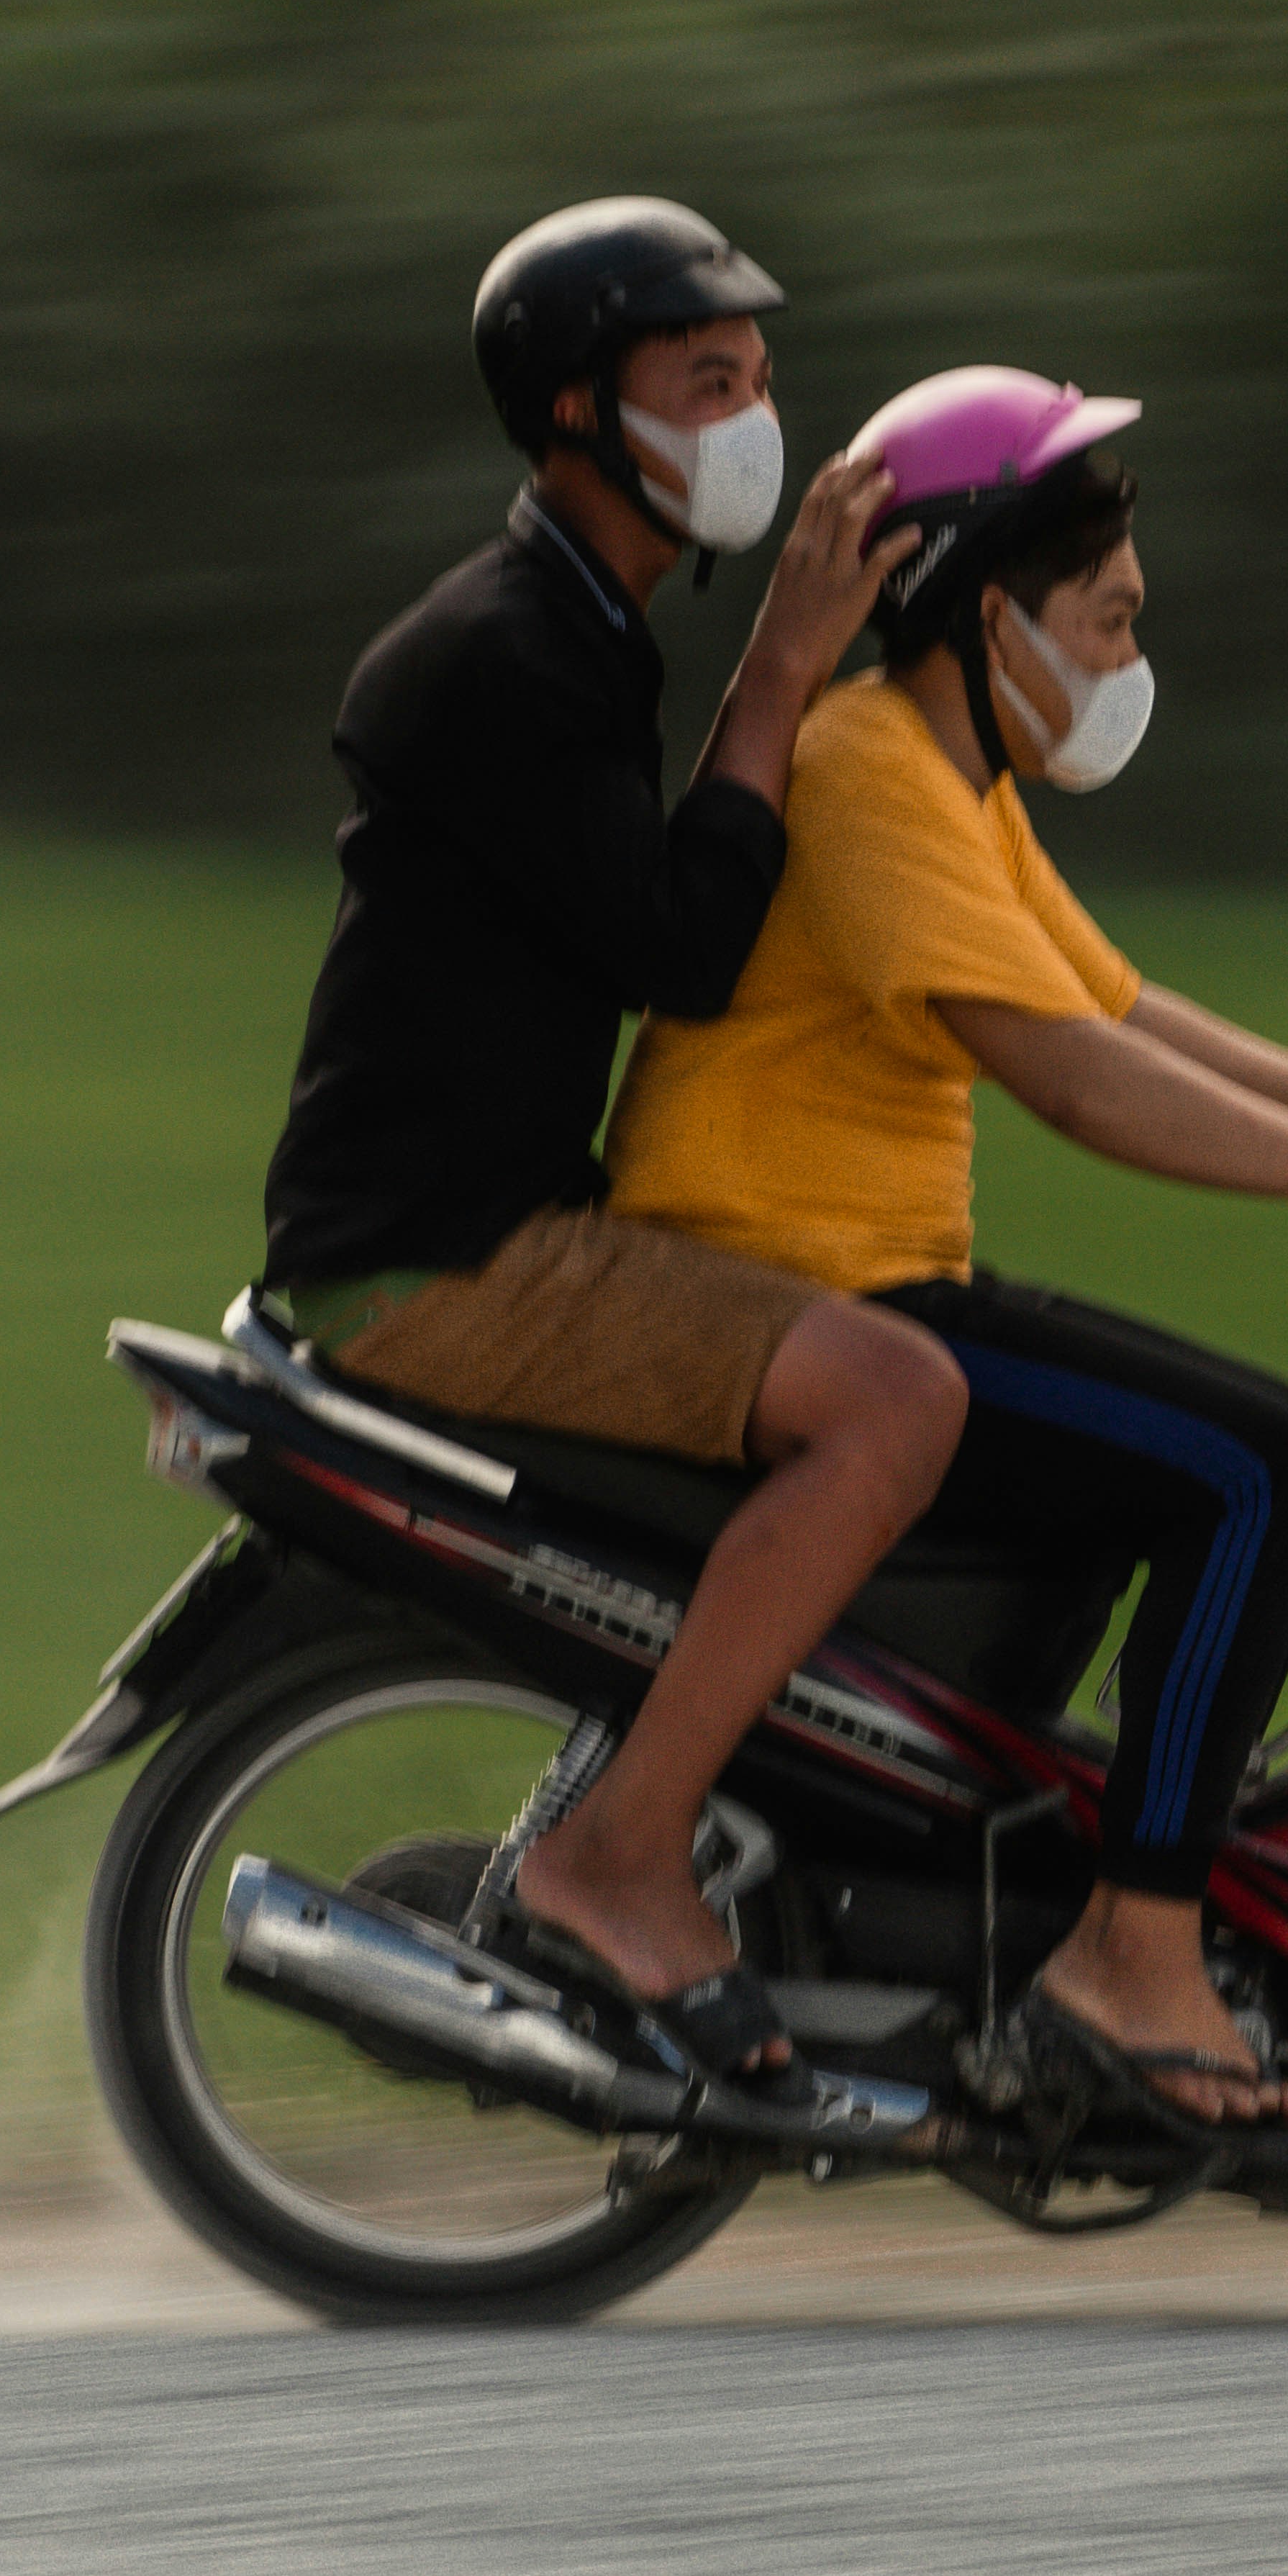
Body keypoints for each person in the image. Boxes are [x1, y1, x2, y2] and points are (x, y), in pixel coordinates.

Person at [602, 367, 1288, 2129]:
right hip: (793, 1287)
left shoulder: (956, 780)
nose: (1130, 663)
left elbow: (1126, 1005)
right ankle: (1134, 1954)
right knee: (1258, 1467)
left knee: (1187, 1455)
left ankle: (1035, 1890)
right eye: (1105, 621)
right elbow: (1080, 1084)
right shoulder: (873, 777)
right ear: (983, 613)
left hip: (866, 1277)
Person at [254, 196, 966, 2097]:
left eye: (759, 376)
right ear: (579, 413)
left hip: (479, 1220)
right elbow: (682, 953)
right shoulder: (512, 652)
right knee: (892, 1405)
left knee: (878, 1328)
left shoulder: (580, 629)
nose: (755, 419)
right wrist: (783, 676)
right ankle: (617, 1858)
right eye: (706, 380)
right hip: (444, 1261)